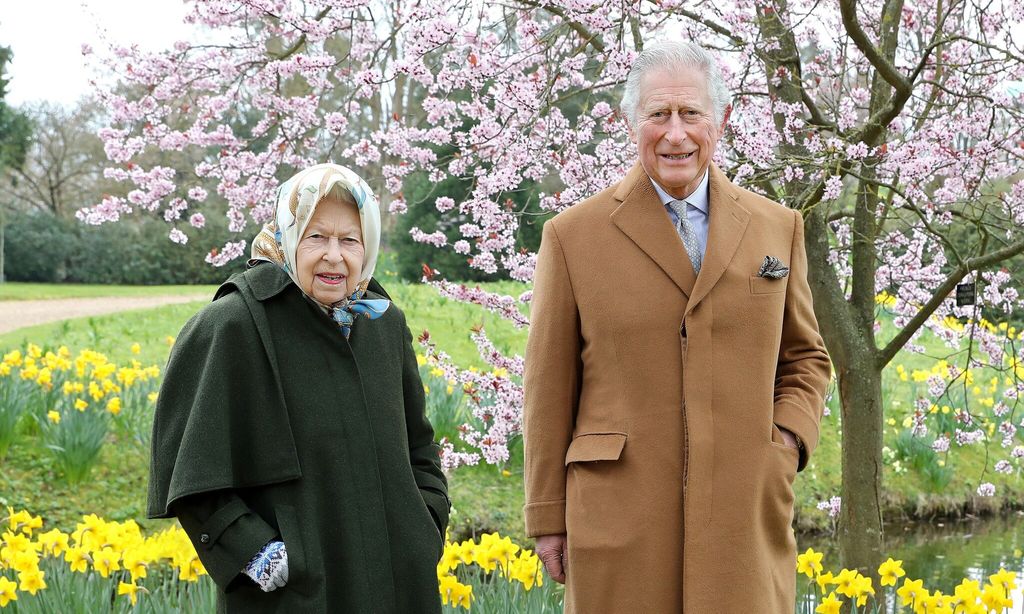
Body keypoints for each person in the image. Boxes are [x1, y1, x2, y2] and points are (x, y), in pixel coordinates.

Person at [522, 40, 831, 613]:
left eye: (691, 113)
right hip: (620, 514)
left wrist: (784, 441)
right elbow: (547, 387)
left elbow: (806, 359)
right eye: (657, 115)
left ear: (722, 121)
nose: (675, 134)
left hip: (744, 509)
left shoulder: (777, 228)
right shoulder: (572, 237)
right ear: (630, 123)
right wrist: (546, 515)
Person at [148, 163, 449, 612]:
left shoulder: (383, 323)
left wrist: (425, 524)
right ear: (288, 236)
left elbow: (419, 447)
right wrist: (252, 551)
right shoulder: (233, 323)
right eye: (316, 237)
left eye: (350, 239)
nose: (334, 256)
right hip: (294, 594)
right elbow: (189, 469)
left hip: (399, 582)